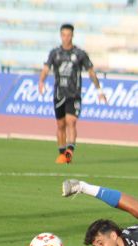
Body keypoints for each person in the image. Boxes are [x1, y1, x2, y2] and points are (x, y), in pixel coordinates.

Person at [38, 24, 107, 164]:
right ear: (60, 36)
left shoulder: (80, 54)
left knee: (71, 122)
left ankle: (69, 152)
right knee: (60, 125)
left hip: (74, 94)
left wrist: (99, 90)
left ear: (73, 36)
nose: (66, 38)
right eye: (63, 35)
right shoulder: (55, 53)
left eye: (68, 35)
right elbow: (46, 69)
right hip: (59, 94)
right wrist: (41, 82)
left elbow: (91, 72)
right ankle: (62, 153)